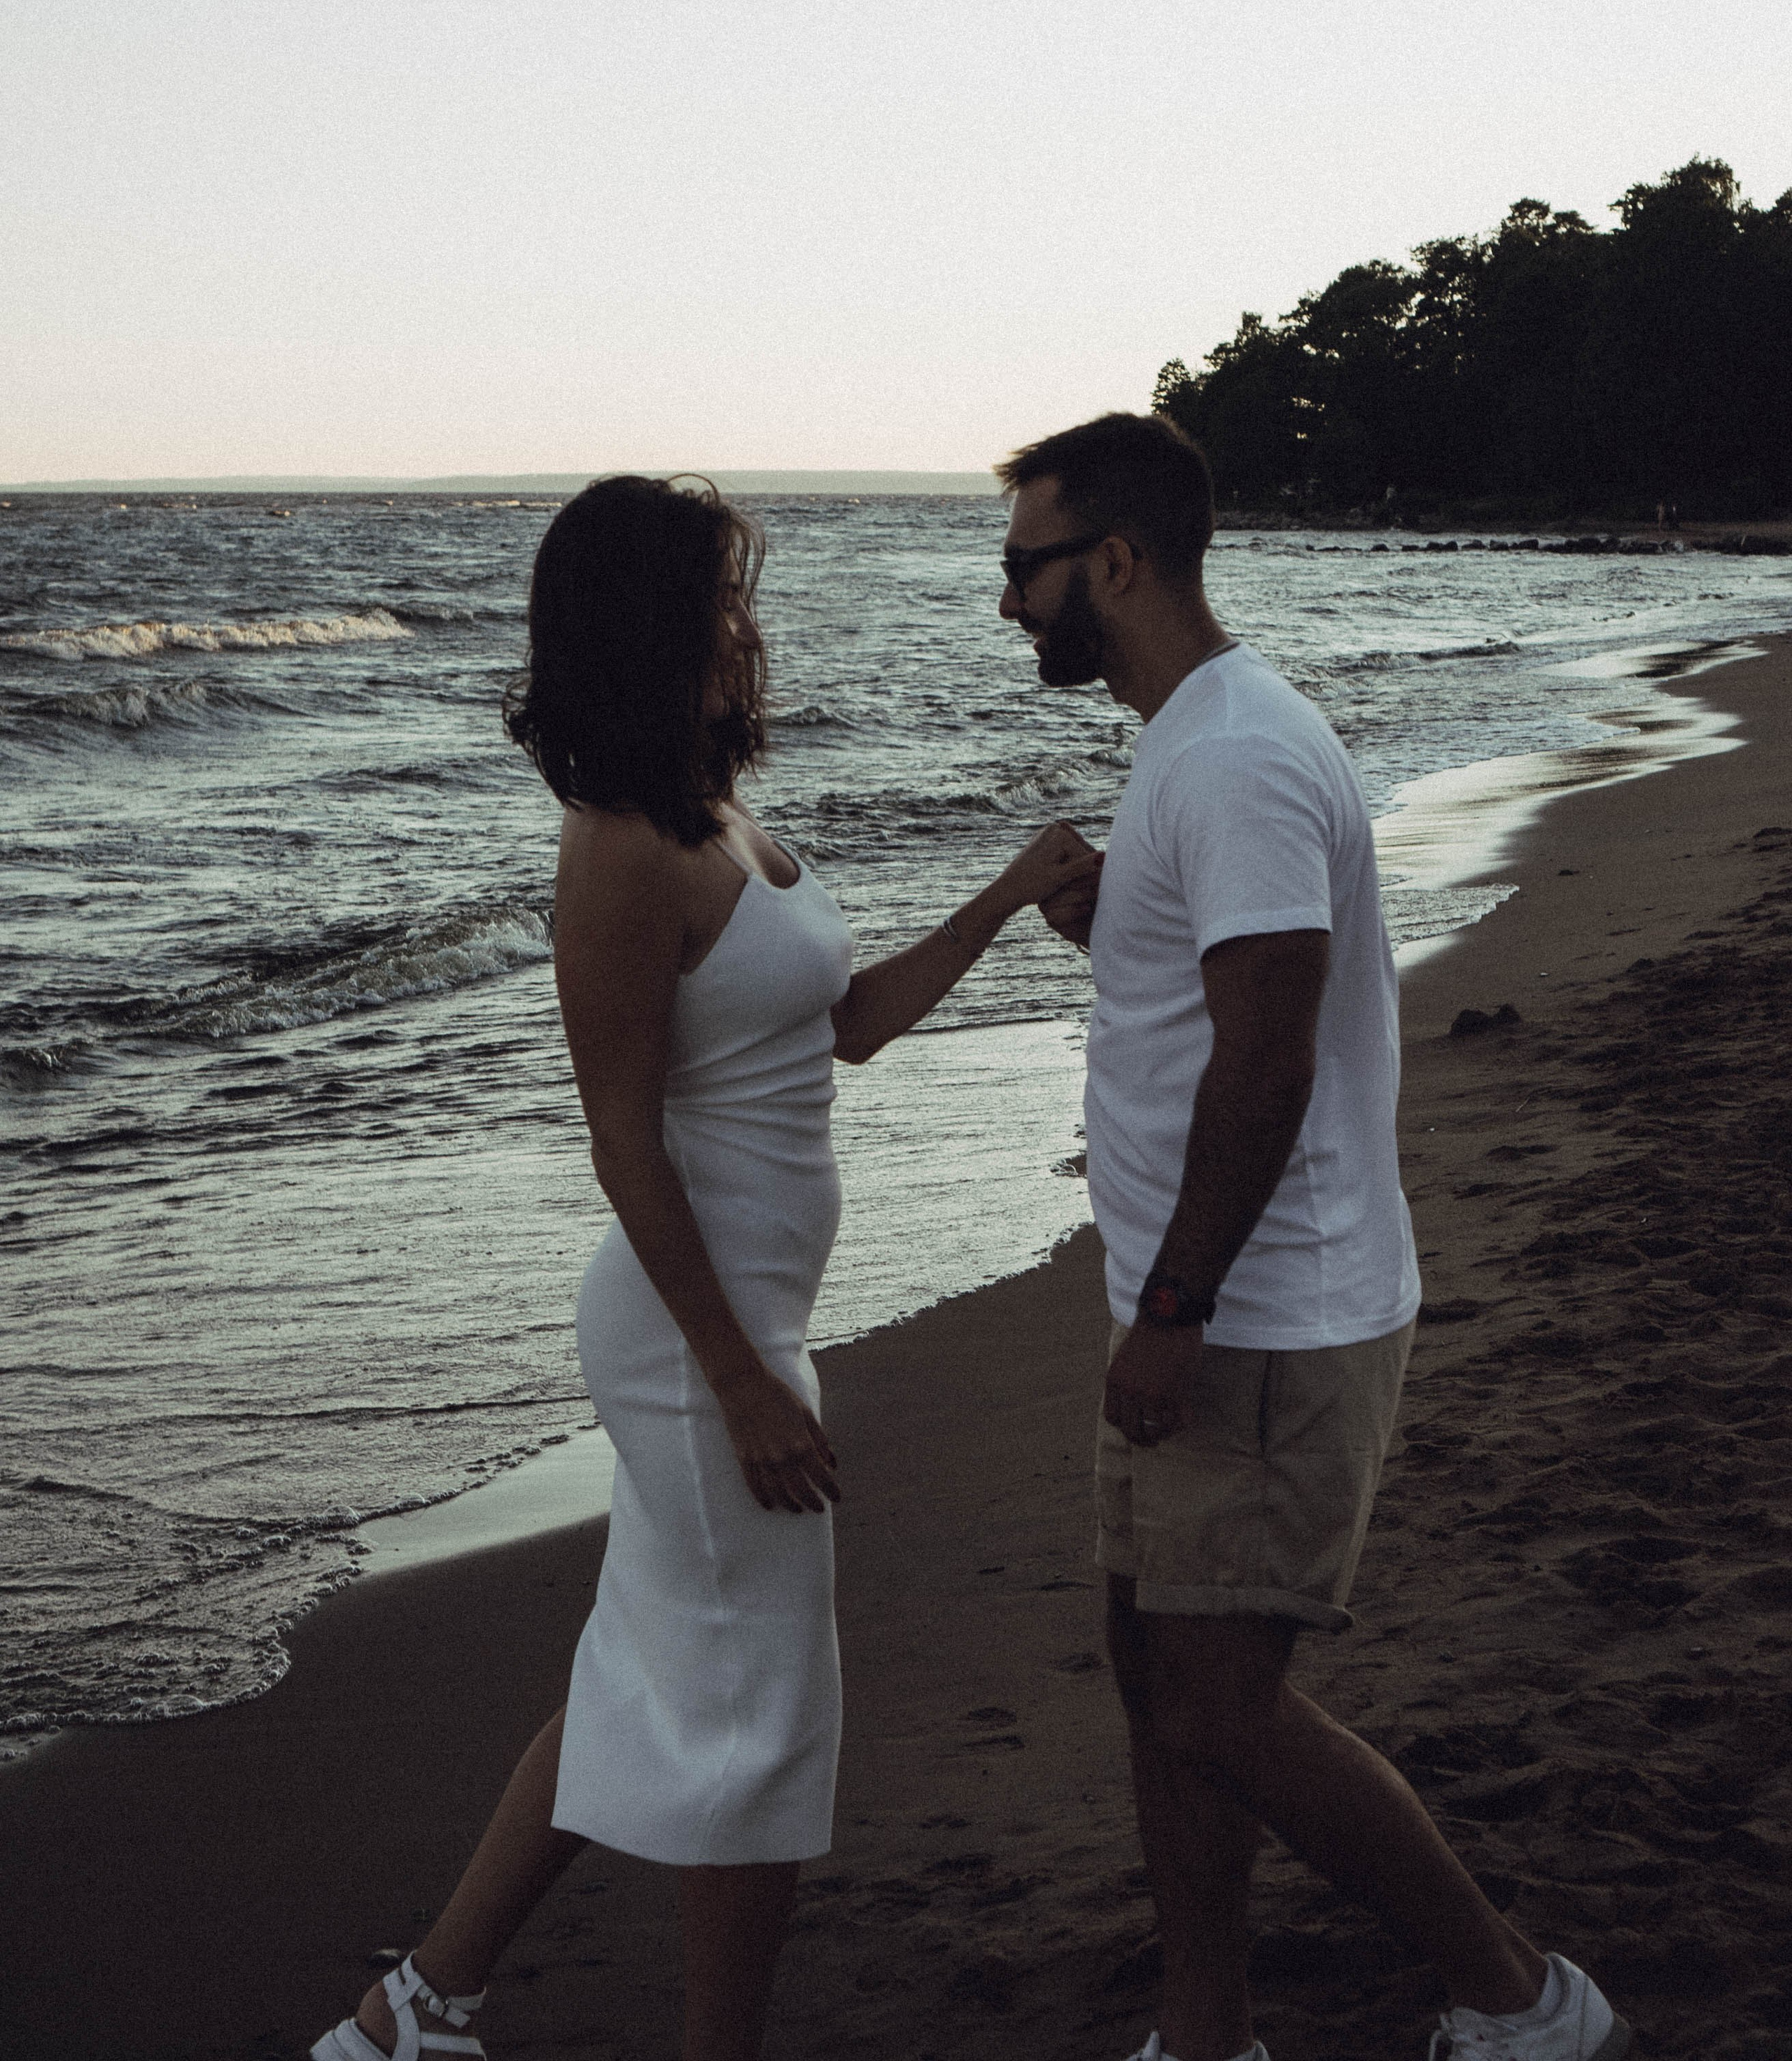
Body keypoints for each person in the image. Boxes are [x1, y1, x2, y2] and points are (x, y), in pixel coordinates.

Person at [311, 475, 1092, 2061]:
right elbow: (624, 1145)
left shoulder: (718, 816)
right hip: (694, 1347)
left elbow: (845, 1027)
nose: (748, 622)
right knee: (758, 1727)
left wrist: (1008, 895)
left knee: (641, 1677)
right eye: (724, 598)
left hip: (741, 1327)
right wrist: (737, 1379)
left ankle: (413, 2012)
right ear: (656, 627)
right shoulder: (612, 855)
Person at [1000, 414, 1629, 2061]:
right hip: (1206, 1305)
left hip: (1258, 1317)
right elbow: (1218, 1002)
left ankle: (1519, 2005)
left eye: (1027, 566)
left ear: (1113, 563)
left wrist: (1179, 1308)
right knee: (1158, 1682)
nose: (1009, 604)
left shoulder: (1233, 756)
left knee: (1218, 1702)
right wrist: (1115, 924)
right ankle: (1205, 2034)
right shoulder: (1194, 745)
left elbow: (1270, 1054)